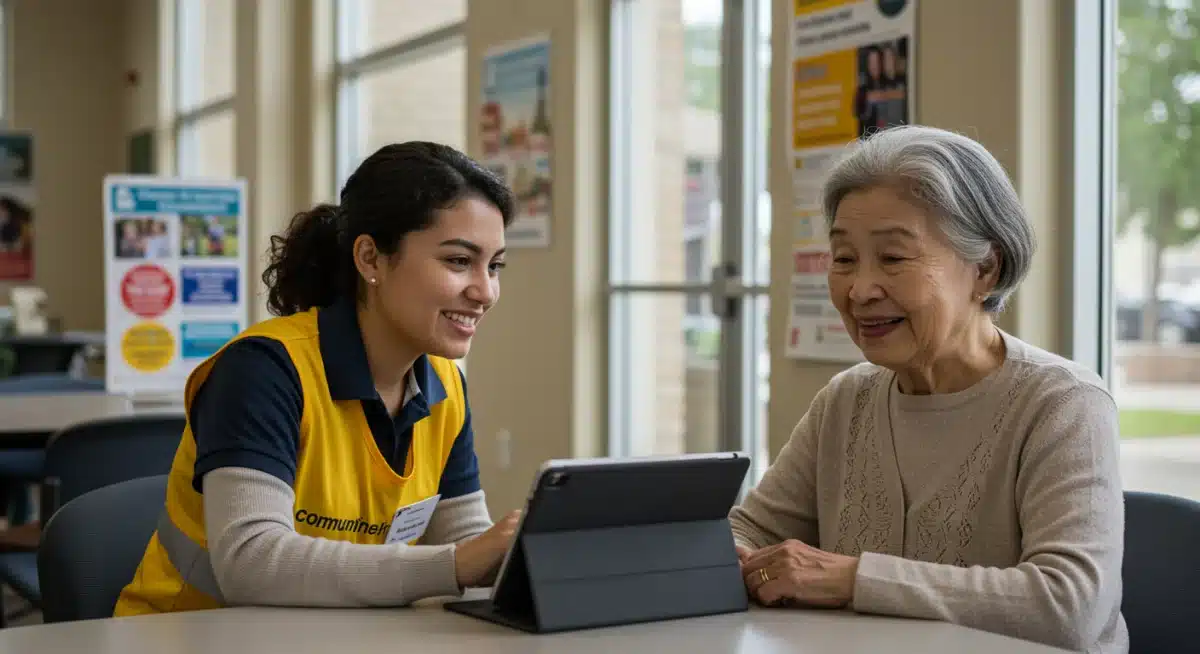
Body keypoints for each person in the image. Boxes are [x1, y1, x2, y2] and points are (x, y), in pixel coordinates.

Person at [729, 125, 1127, 653]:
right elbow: (750, 531)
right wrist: (728, 555)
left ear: (986, 269)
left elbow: (1070, 605)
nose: (860, 289)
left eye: (893, 259)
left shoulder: (1063, 404)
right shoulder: (846, 400)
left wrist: (850, 580)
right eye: (844, 258)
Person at [114, 141, 520, 615]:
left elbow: (465, 541)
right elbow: (250, 562)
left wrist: (510, 557)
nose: (485, 291)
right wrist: (453, 565)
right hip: (189, 638)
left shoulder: (445, 384)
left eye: (494, 266)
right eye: (457, 261)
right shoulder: (262, 370)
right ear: (369, 258)